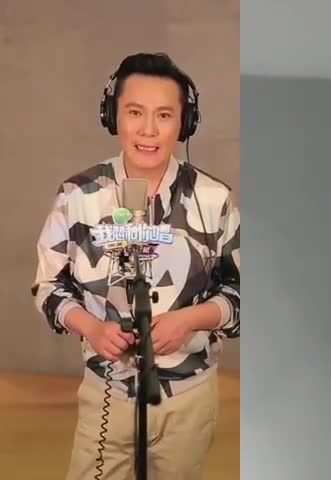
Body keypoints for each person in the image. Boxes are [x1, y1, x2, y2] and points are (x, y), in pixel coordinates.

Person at [31, 52, 240, 480]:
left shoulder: (213, 198)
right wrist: (92, 328)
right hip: (105, 391)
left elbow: (242, 292)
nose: (148, 130)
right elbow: (48, 285)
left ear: (185, 123)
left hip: (189, 400)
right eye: (134, 112)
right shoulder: (78, 195)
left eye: (164, 115)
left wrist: (189, 320)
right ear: (113, 116)